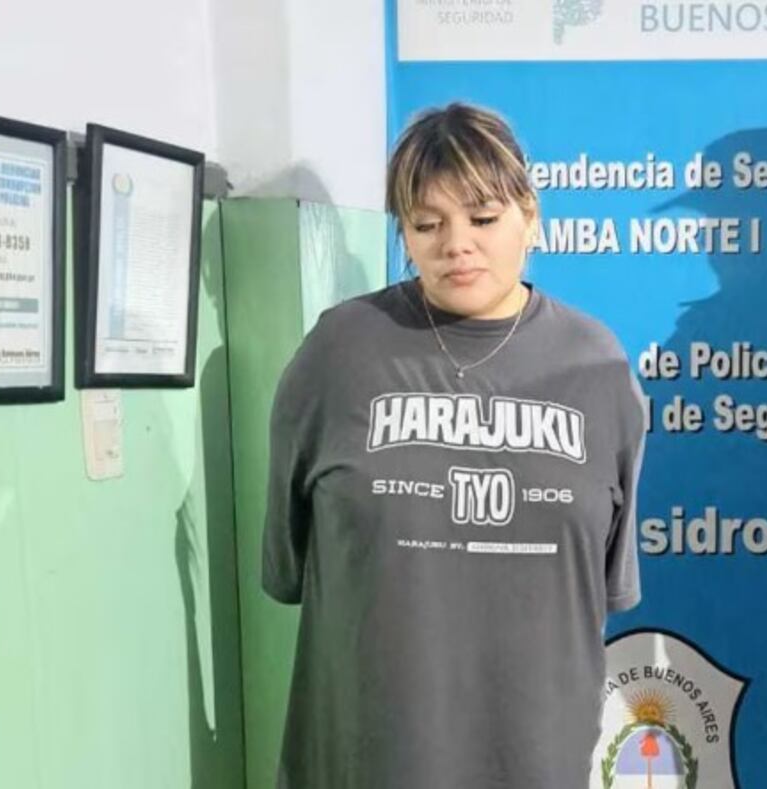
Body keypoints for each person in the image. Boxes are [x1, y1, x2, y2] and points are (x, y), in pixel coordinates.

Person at [262, 103, 645, 788]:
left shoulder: (599, 369)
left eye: (483, 218)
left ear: (530, 216)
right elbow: (288, 566)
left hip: (535, 764)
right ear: (404, 235)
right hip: (367, 762)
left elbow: (604, 582)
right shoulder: (337, 356)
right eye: (427, 223)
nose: (456, 244)